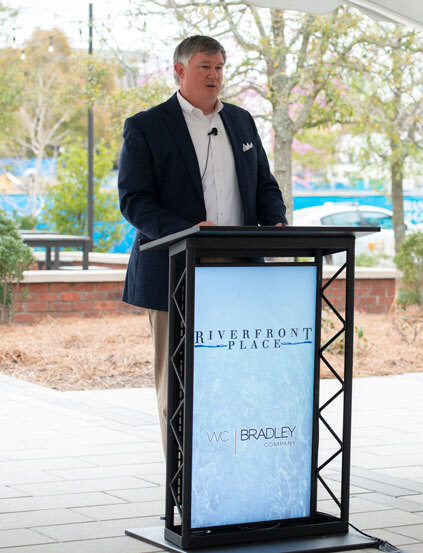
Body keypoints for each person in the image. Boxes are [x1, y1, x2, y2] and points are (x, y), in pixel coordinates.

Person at [117, 35, 288, 453]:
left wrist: (278, 222)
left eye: (219, 67)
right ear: (179, 71)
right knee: (178, 383)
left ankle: (230, 469)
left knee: (236, 376)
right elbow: (134, 201)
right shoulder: (147, 126)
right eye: (204, 66)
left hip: (239, 267)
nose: (214, 76)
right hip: (177, 266)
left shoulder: (243, 121)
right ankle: (181, 488)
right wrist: (189, 230)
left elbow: (264, 185)